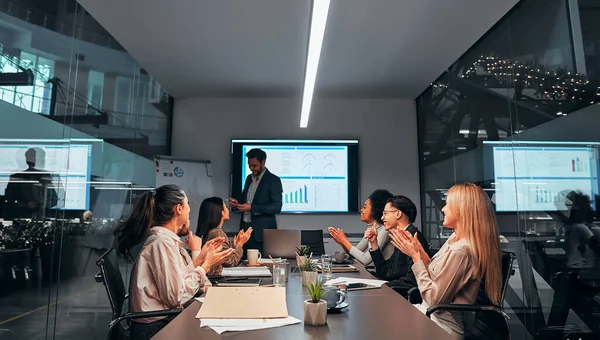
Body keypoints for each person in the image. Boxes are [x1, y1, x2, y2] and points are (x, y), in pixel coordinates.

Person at [114, 184, 235, 340]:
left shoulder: (165, 240)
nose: (189, 209)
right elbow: (175, 297)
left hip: (161, 320)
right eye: (187, 204)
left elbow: (177, 280)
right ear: (179, 208)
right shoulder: (161, 242)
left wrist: (200, 259)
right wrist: (205, 267)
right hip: (154, 328)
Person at [391, 183, 502, 336]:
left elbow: (434, 299)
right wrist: (419, 253)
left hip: (439, 326)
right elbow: (437, 277)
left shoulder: (462, 250)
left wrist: (416, 258)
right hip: (429, 316)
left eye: (448, 204)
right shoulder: (454, 239)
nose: (443, 209)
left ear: (462, 210)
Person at [228, 148, 282, 254]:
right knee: (242, 262)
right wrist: (236, 203)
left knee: (260, 264)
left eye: (254, 166)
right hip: (244, 229)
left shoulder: (273, 180)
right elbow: (245, 198)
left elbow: (277, 207)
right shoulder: (249, 179)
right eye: (249, 165)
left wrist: (252, 208)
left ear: (263, 162)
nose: (251, 169)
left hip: (261, 233)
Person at [367, 195, 430, 281]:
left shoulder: (413, 237)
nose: (382, 218)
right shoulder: (402, 236)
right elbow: (385, 272)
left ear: (398, 214)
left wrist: (386, 286)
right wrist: (374, 243)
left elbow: (413, 279)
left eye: (385, 213)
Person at [329, 189, 395, 265]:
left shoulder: (386, 229)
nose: (361, 210)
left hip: (384, 276)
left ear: (375, 210)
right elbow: (354, 254)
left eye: (365, 207)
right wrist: (342, 243)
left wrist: (344, 240)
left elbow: (366, 259)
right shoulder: (372, 228)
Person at [196, 197, 253, 275]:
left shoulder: (212, 231)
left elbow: (225, 258)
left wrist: (234, 245)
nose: (228, 209)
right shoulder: (217, 233)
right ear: (221, 212)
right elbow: (231, 262)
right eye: (225, 207)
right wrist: (240, 244)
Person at [4, 148, 58, 219]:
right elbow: (9, 200)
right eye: (40, 157)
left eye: (43, 157)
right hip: (21, 218)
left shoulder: (46, 176)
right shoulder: (17, 177)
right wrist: (26, 204)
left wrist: (43, 204)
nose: (43, 160)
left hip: (44, 217)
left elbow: (54, 199)